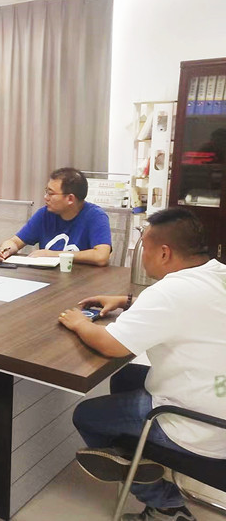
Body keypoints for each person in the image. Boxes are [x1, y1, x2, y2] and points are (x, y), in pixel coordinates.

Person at [58, 208, 226, 521]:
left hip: (199, 427)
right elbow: (190, 308)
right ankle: (129, 453)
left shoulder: (170, 292)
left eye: (144, 248)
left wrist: (79, 322)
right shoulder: (217, 273)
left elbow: (110, 345)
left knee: (86, 415)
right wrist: (127, 301)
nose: (142, 255)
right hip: (219, 405)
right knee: (125, 378)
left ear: (164, 253)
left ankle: (164, 506)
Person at [0, 167, 112, 266]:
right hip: (48, 280)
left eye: (50, 193)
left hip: (83, 281)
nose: (46, 197)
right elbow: (15, 242)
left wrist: (52, 254)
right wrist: (4, 251)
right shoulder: (45, 214)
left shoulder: (95, 216)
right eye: (46, 192)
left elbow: (101, 256)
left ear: (70, 198)